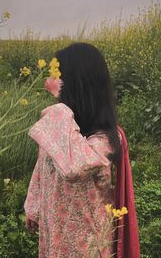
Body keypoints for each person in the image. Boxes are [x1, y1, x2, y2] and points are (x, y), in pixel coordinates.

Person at [24, 42, 140, 258]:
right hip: (55, 232)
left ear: (76, 83)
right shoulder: (65, 129)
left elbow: (74, 167)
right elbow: (43, 163)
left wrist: (60, 104)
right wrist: (34, 205)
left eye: (59, 75)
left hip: (86, 242)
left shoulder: (105, 139)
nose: (51, 79)